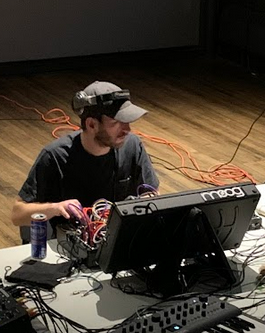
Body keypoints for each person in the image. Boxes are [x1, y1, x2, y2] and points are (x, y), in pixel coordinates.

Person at [10, 80, 159, 234]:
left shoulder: (132, 146)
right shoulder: (55, 157)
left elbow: (152, 195)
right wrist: (55, 208)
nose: (127, 129)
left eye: (127, 122)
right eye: (116, 123)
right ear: (91, 125)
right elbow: (17, 215)